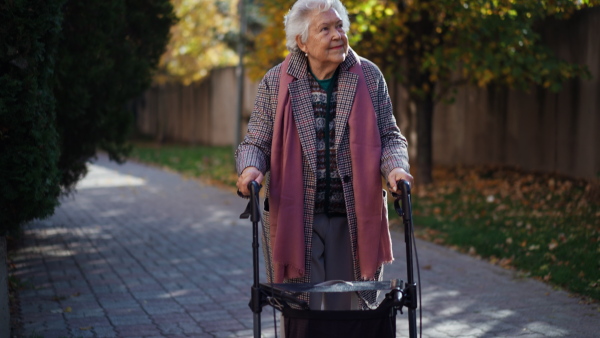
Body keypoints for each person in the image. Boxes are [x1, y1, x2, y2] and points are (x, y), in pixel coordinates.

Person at [236, 0, 413, 311]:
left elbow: (389, 136)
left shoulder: (368, 76)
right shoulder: (276, 81)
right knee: (303, 312)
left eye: (340, 26)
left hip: (354, 213)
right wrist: (250, 169)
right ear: (302, 42)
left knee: (349, 311)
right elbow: (257, 141)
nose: (337, 35)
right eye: (325, 29)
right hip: (296, 214)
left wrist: (396, 168)